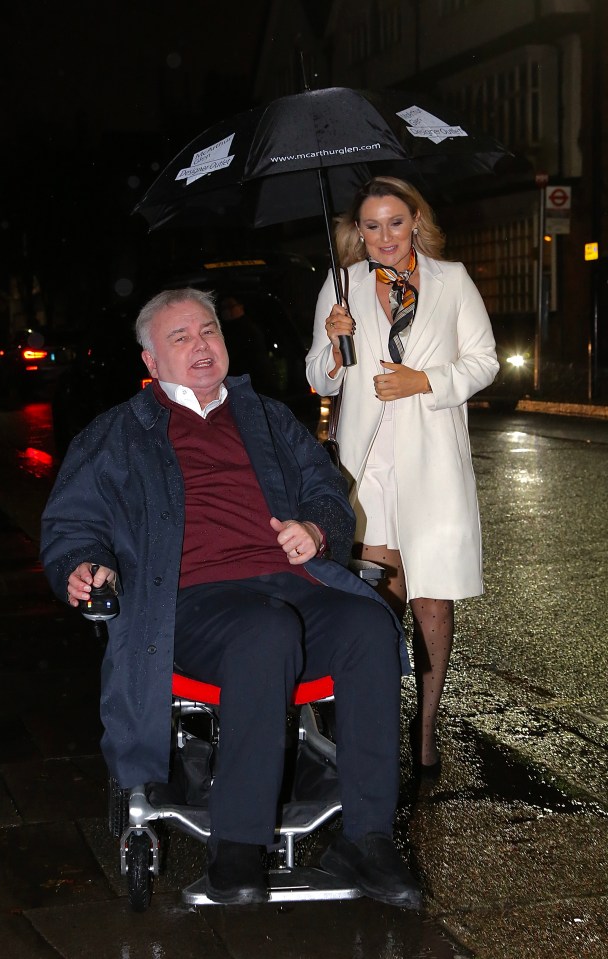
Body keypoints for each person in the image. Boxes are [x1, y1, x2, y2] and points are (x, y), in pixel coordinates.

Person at [40, 286, 421, 909]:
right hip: (186, 602)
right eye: (179, 338)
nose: (200, 346)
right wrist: (83, 568)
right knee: (263, 631)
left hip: (291, 584)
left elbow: (327, 494)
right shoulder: (117, 436)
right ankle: (237, 850)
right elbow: (71, 530)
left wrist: (319, 530)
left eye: (208, 331)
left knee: (369, 624)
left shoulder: (267, 418)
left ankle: (367, 837)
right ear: (150, 362)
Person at [306, 177, 499, 777]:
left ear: (415, 221)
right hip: (369, 462)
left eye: (395, 222)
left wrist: (426, 382)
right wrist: (336, 347)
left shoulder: (452, 280)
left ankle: (427, 724)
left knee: (431, 596)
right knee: (378, 600)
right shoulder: (342, 288)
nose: (384, 236)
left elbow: (484, 361)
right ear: (357, 232)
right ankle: (379, 719)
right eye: (371, 226)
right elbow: (320, 379)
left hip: (434, 458)